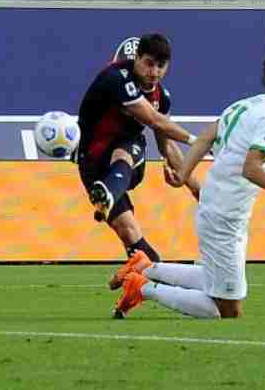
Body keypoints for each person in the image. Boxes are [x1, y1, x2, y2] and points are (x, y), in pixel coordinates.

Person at [109, 42, 265, 320]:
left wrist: (184, 175)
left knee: (212, 279)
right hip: (225, 216)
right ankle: (144, 287)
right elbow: (251, 168)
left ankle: (144, 267)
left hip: (220, 206)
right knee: (227, 309)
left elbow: (206, 137)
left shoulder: (247, 104)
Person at [76, 33, 198, 263]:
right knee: (130, 234)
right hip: (92, 164)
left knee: (125, 146)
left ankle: (108, 193)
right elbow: (155, 120)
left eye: (161, 66)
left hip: (128, 158)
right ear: (137, 58)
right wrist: (197, 141)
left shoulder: (162, 98)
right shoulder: (117, 77)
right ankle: (153, 278)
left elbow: (167, 147)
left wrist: (197, 189)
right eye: (149, 64)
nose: (154, 72)